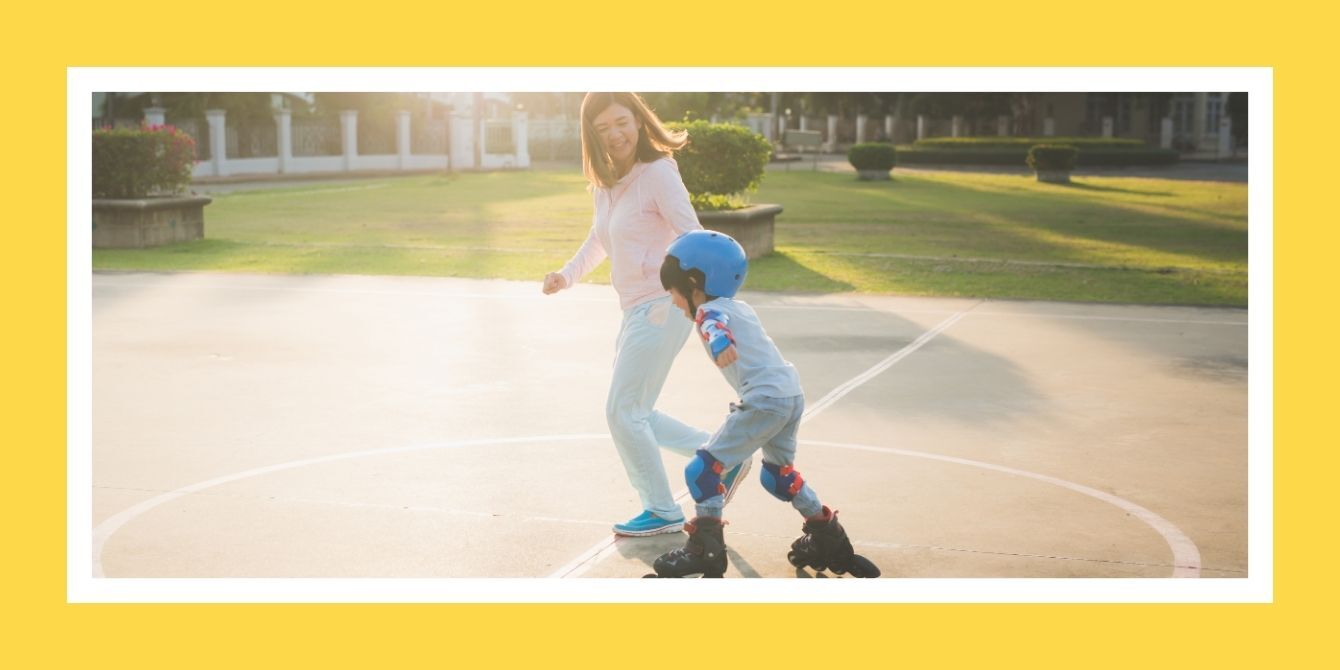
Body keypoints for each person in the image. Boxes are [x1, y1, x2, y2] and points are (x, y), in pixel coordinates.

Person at [543, 93, 751, 537]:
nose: (615, 134)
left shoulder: (657, 173)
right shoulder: (607, 182)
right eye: (603, 129)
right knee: (639, 411)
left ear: (638, 119)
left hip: (663, 306)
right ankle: (723, 458)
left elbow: (692, 233)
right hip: (634, 308)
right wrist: (566, 275)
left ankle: (662, 509)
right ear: (592, 136)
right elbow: (599, 238)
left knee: (623, 411)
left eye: (621, 122)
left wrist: (707, 304)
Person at [646, 230, 880, 578]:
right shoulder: (739, 306)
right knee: (779, 477)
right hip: (790, 395)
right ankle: (828, 538)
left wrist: (719, 340)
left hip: (765, 400)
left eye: (675, 293)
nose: (675, 302)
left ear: (694, 283)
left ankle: (705, 551)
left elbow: (712, 324)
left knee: (703, 470)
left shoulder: (709, 311)